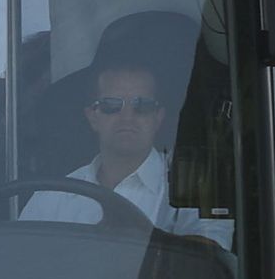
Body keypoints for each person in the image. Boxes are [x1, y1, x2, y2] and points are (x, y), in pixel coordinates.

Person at [27, 48, 228, 245]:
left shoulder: (197, 192)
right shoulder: (51, 197)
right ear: (92, 117)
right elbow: (19, 259)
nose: (127, 117)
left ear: (158, 118)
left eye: (143, 105)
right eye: (111, 105)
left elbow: (212, 255)